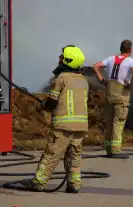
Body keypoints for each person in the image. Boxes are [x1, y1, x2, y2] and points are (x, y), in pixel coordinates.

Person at [21, 45, 89, 193]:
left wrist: (44, 104)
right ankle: (74, 184)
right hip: (81, 126)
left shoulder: (61, 78)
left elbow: (51, 102)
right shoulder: (83, 80)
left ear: (68, 60)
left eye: (62, 57)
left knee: (52, 153)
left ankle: (39, 182)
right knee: (74, 155)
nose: (59, 60)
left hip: (63, 126)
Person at [92, 40, 133, 159]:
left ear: (120, 48)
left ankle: (108, 149)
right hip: (121, 95)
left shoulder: (111, 59)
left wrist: (103, 81)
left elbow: (95, 67)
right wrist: (131, 85)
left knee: (109, 122)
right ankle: (116, 150)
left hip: (109, 94)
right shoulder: (130, 61)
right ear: (130, 50)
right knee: (118, 121)